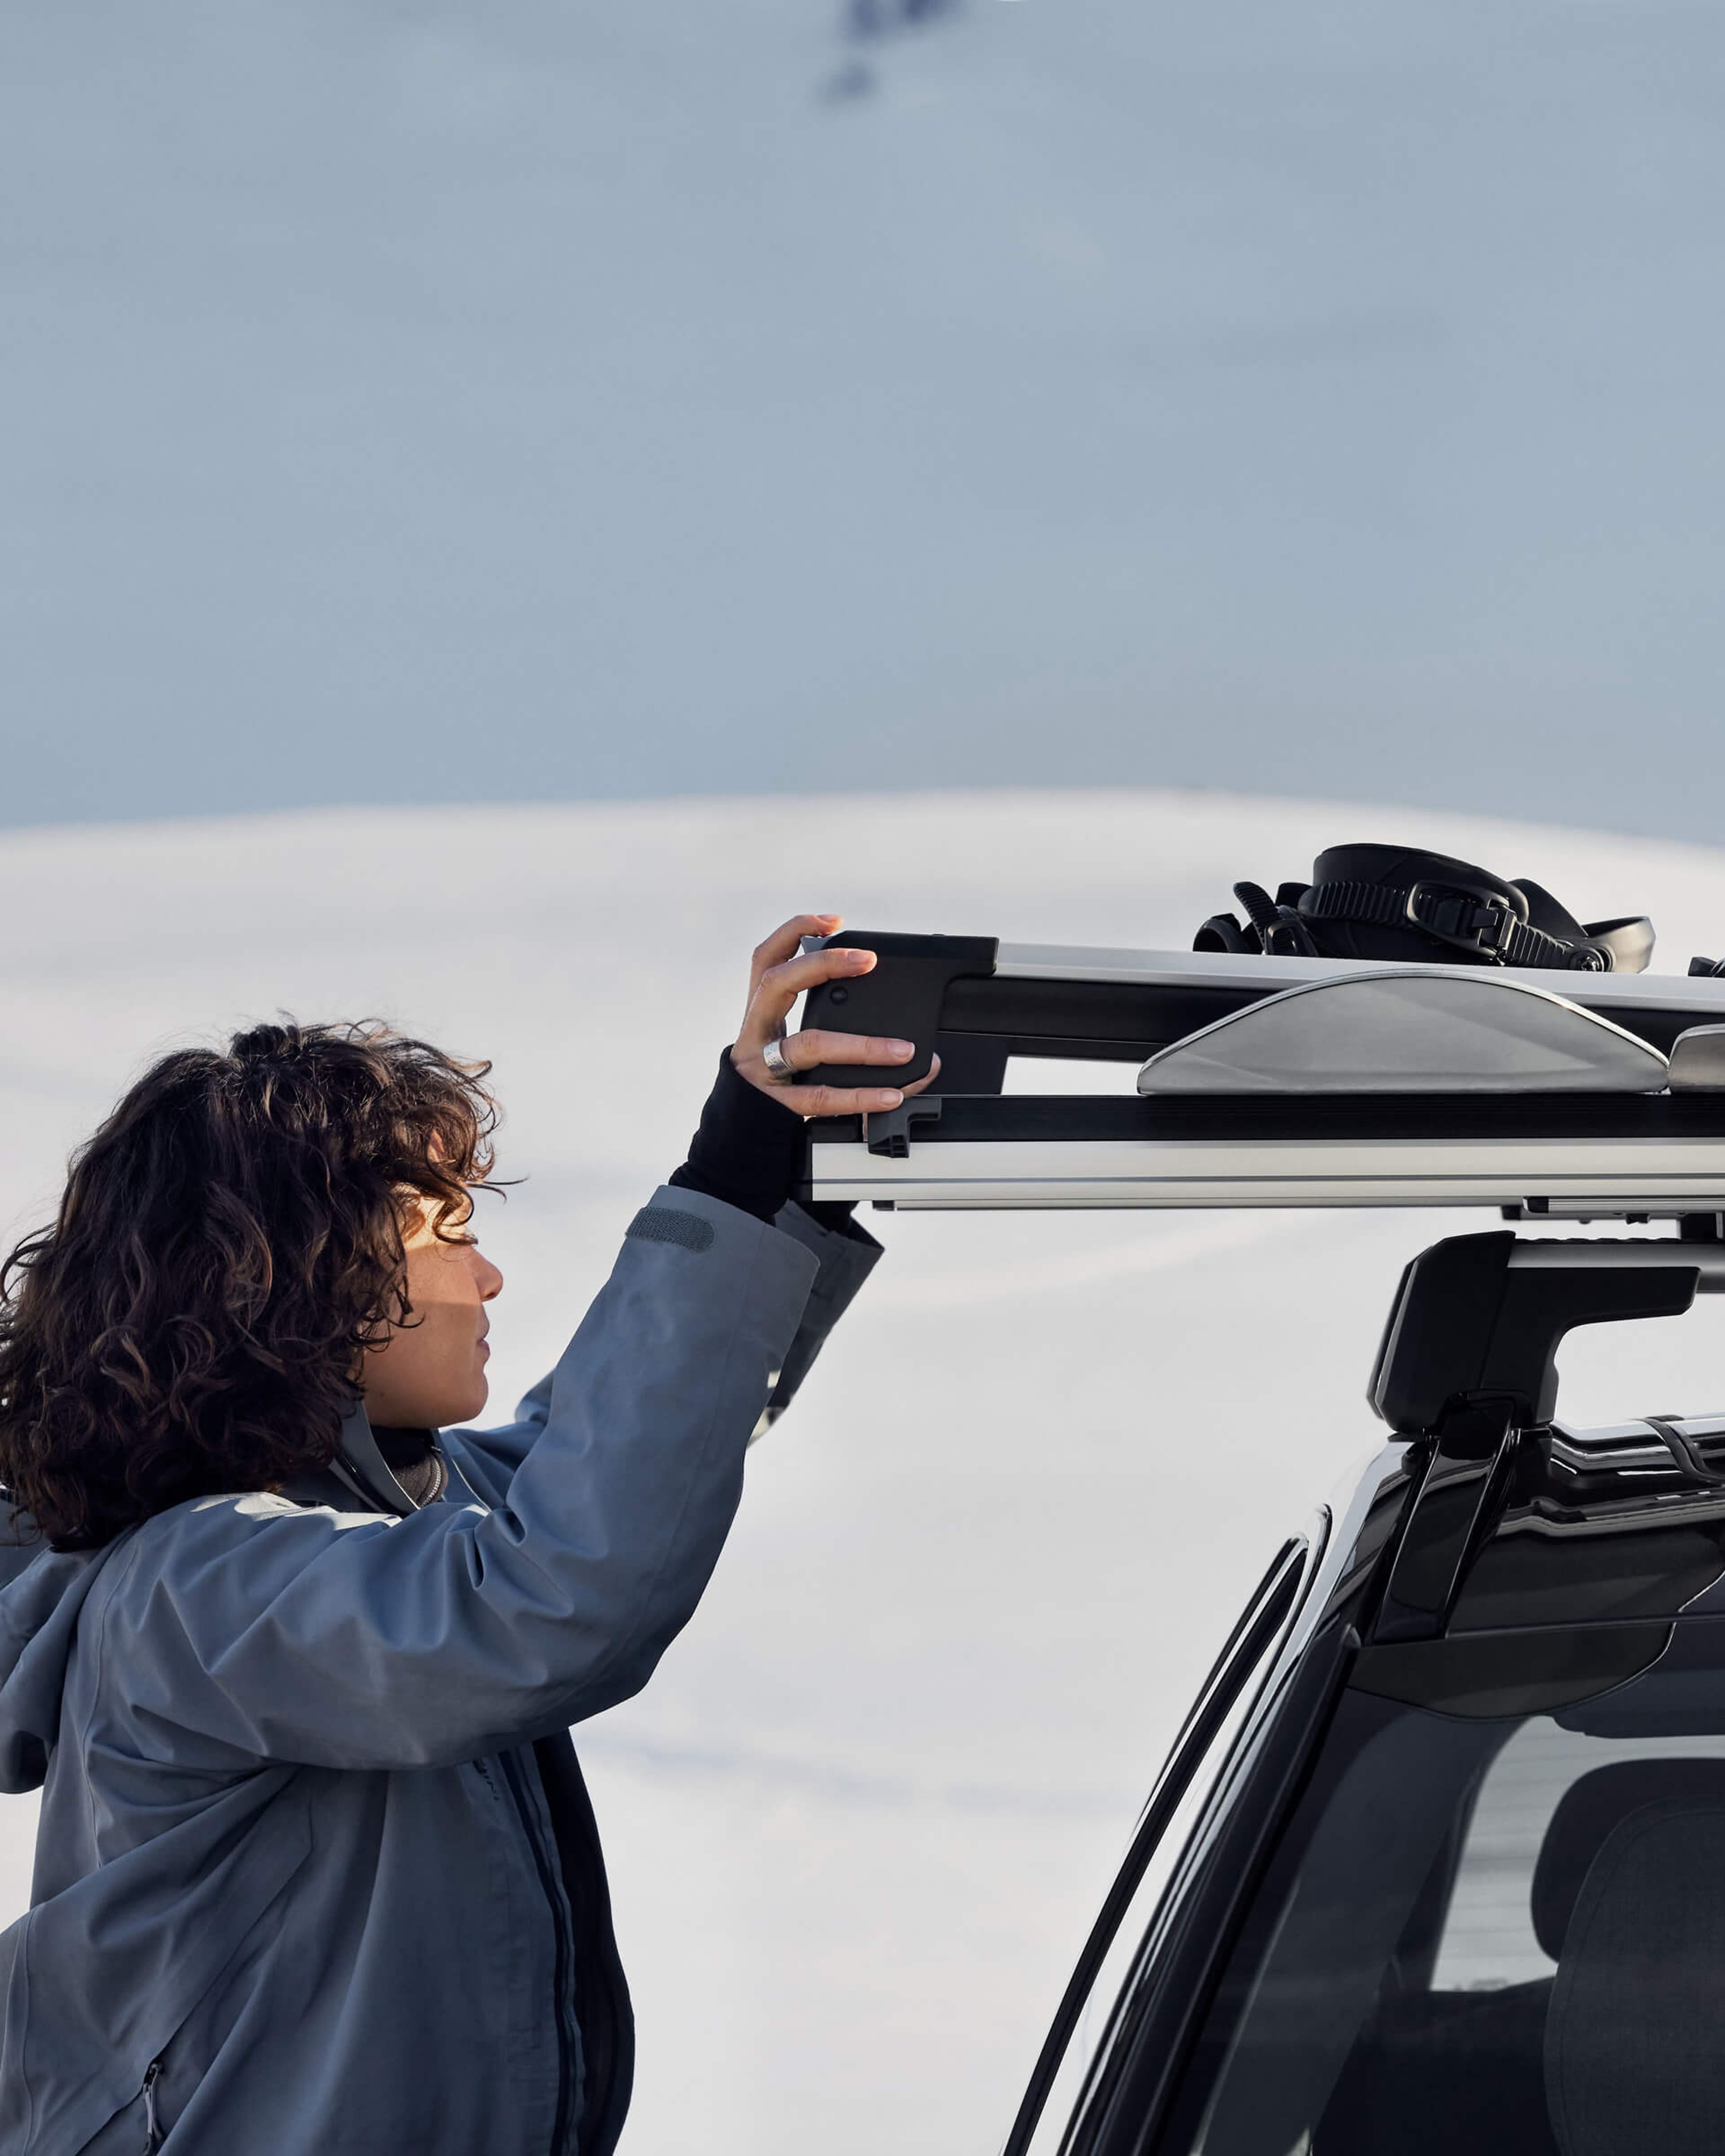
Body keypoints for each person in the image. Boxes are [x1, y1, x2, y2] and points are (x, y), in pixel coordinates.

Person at [0, 916, 930, 2156]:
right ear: (293, 1282)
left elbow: (592, 1458)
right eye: (445, 1233)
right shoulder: (196, 1593)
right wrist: (730, 1175)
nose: (487, 1280)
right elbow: (552, 1595)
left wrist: (779, 1178)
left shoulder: (379, 1525)